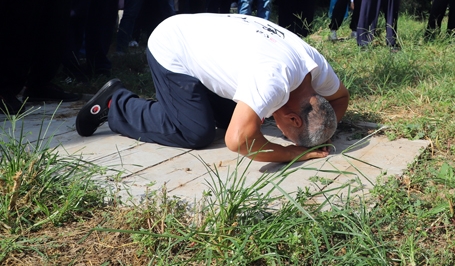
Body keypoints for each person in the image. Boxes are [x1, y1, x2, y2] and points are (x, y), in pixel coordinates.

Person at [75, 14, 350, 163]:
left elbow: (341, 97)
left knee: (245, 116)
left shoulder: (316, 69)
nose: (281, 134)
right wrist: (290, 153)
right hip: (172, 45)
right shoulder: (272, 80)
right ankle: (116, 104)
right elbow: (238, 141)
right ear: (294, 118)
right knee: (195, 131)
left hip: (201, 37)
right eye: (287, 132)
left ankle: (184, 103)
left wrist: (323, 130)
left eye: (286, 138)